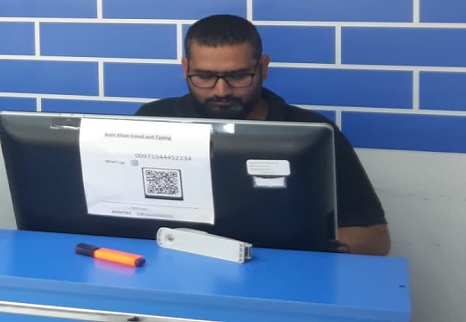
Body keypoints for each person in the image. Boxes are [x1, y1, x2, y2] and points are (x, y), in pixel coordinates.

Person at [136, 14, 390, 256]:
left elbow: (375, 239)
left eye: (238, 76)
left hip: (282, 275)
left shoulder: (311, 133)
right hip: (172, 268)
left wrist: (304, 251)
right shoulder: (154, 120)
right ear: (185, 68)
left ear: (263, 68)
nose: (221, 91)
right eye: (204, 76)